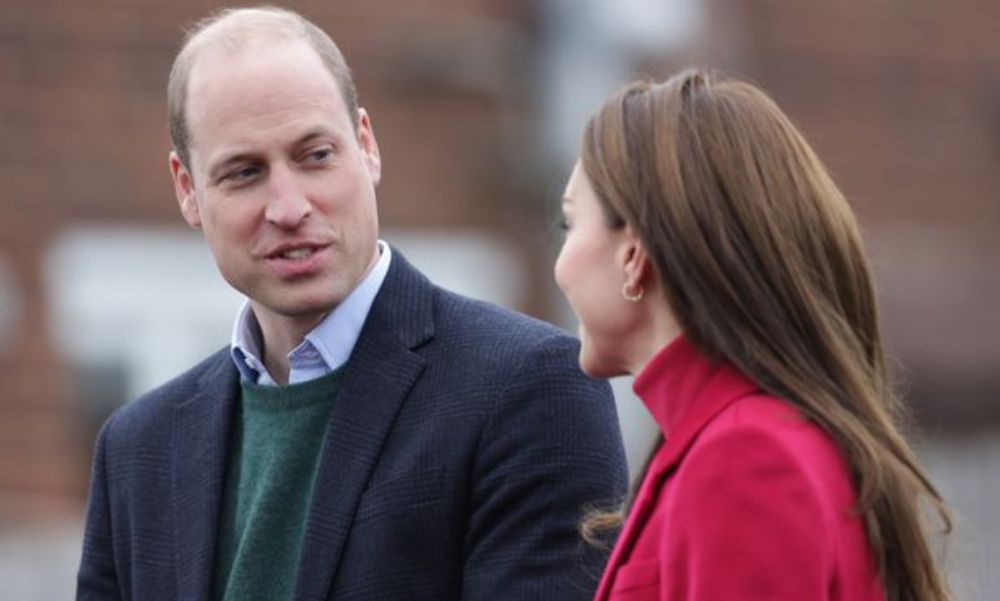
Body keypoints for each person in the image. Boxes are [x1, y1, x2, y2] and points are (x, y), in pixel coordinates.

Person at [76, 7, 628, 601]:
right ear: (187, 189)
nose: (288, 206)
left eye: (316, 155)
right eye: (244, 172)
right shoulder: (136, 451)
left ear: (366, 146)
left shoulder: (530, 389)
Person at [554, 69, 954, 601]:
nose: (560, 263)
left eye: (569, 224)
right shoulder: (740, 437)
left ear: (634, 255)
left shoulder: (745, 454)